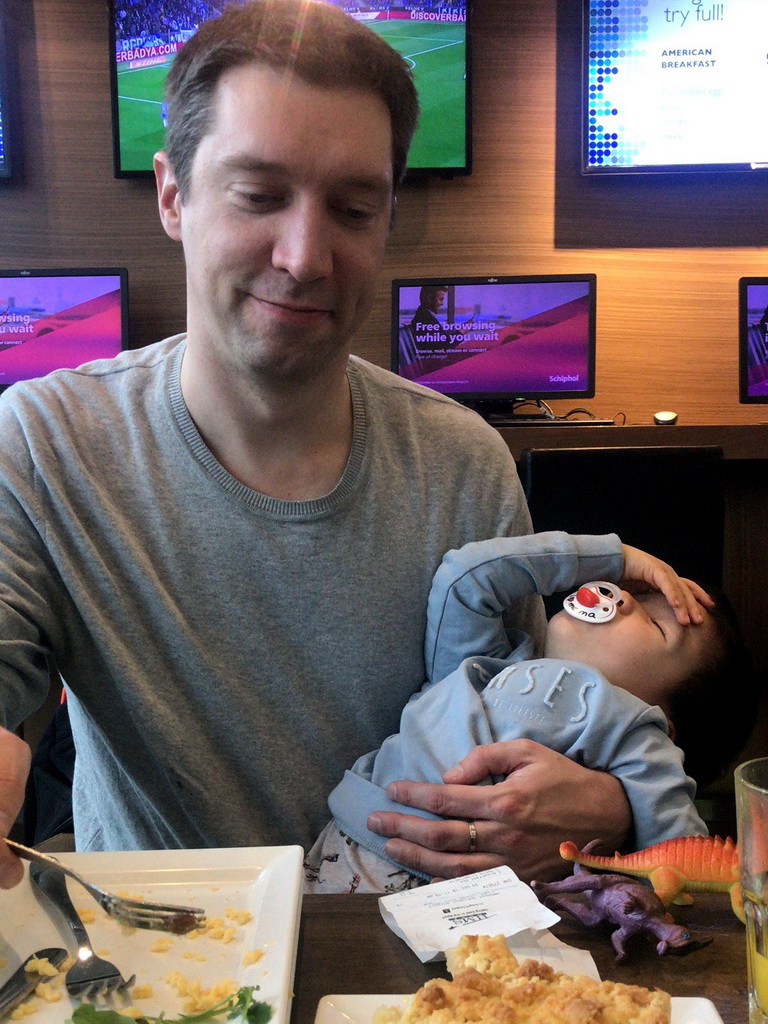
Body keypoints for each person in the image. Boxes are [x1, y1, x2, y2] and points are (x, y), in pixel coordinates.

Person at [0, 0, 701, 891]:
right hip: (169, 968)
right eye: (258, 196)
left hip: (416, 976)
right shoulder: (45, 441)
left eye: (353, 207)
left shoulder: (462, 461)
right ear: (173, 194)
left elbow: (521, 734)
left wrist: (605, 803)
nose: (305, 254)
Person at [304, 532, 754, 893]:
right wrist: (612, 558)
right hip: (338, 845)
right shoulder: (488, 662)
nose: (621, 598)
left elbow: (680, 854)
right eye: (635, 591)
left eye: (655, 624)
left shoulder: (635, 726)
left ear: (664, 720)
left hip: (456, 899)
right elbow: (467, 578)